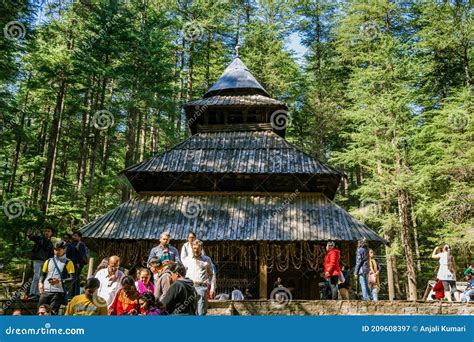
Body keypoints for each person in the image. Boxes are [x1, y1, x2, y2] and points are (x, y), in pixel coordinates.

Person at [38, 241, 75, 315]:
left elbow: (72, 278)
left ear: (64, 249)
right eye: (55, 249)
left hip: (58, 292)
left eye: (59, 249)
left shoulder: (68, 262)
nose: (56, 251)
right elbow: (43, 274)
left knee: (52, 313)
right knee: (40, 312)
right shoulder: (48, 261)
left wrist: (59, 281)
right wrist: (40, 283)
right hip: (45, 291)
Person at [182, 240, 216, 315]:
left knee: (201, 312)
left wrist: (212, 288)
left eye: (198, 248)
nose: (196, 250)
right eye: (194, 248)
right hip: (189, 288)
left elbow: (212, 274)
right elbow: (182, 273)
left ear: (201, 248)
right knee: (189, 312)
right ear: (192, 248)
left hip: (202, 288)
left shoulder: (206, 259)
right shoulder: (187, 259)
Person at [27, 227, 54, 300]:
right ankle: (32, 293)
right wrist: (29, 234)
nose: (46, 232)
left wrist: (50, 263)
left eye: (48, 231)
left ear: (51, 233)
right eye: (45, 231)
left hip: (45, 262)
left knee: (42, 278)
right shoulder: (40, 238)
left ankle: (39, 294)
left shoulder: (51, 243)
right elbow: (32, 237)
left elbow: (51, 255)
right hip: (37, 260)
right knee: (36, 276)